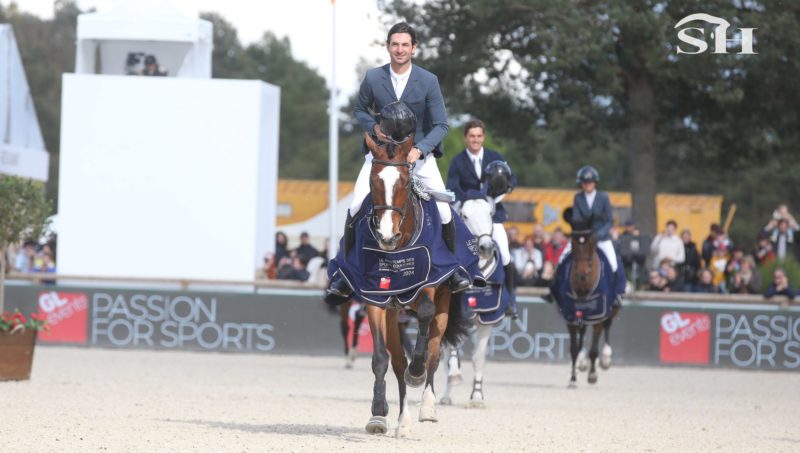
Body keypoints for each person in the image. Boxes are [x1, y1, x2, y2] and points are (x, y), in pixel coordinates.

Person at [328, 22, 468, 300]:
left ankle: (453, 270)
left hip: (417, 156)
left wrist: (421, 149)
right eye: (395, 44)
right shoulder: (372, 77)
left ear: (413, 48)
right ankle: (345, 274)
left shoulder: (428, 80)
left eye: (405, 45)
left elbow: (441, 124)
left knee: (443, 209)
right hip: (381, 155)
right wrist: (373, 129)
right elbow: (360, 110)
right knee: (356, 204)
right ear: (388, 46)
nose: (400, 49)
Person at [446, 119, 517, 301]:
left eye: (478, 136)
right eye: (472, 136)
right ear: (465, 138)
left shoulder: (495, 156)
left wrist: (503, 191)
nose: (475, 140)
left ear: (483, 137)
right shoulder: (458, 161)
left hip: (492, 215)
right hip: (468, 214)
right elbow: (452, 185)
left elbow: (512, 179)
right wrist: (470, 199)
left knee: (506, 255)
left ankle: (510, 300)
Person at [560, 165, 625, 299]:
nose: (587, 185)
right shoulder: (578, 198)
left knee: (613, 264)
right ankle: (556, 290)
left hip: (601, 238)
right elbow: (577, 218)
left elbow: (609, 221)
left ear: (594, 183)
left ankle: (617, 293)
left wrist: (598, 235)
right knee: (562, 258)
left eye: (589, 182)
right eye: (584, 182)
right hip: (583, 238)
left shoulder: (603, 197)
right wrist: (581, 234)